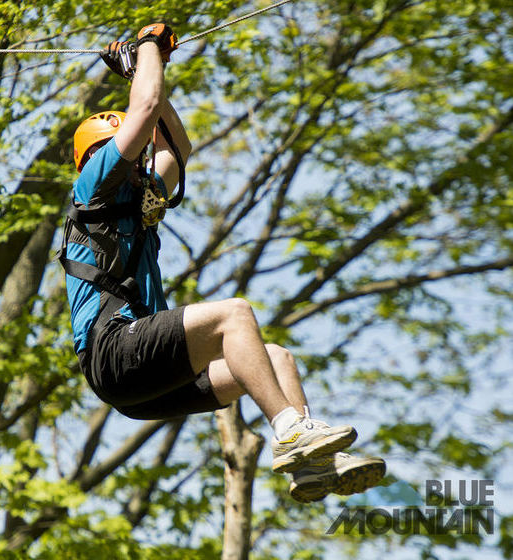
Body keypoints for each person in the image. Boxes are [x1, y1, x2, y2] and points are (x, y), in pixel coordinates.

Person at [59, 23, 385, 502]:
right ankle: (290, 431)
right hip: (112, 353)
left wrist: (143, 70)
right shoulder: (94, 186)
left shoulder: (142, 197)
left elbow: (178, 147)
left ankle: (312, 465)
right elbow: (146, 110)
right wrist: (150, 47)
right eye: (131, 155)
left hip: (139, 384)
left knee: (276, 359)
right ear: (99, 156)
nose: (143, 163)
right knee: (235, 314)